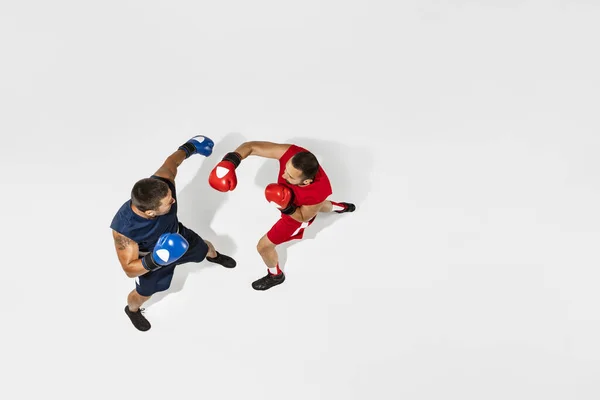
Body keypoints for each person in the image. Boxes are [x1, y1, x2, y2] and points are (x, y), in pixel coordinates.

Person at [111, 135, 236, 331]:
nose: (174, 201)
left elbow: (172, 163)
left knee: (206, 247)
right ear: (151, 212)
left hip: (181, 236)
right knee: (143, 294)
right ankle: (132, 310)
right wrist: (158, 259)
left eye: (171, 197)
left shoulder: (163, 183)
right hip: (152, 260)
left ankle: (214, 257)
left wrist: (190, 147)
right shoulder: (125, 230)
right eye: (168, 203)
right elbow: (129, 269)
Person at [208, 141, 355, 291]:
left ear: (307, 181)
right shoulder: (293, 154)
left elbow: (304, 217)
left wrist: (285, 206)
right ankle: (341, 207)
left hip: (295, 217)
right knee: (317, 205)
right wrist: (231, 161)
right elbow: (251, 146)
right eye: (285, 169)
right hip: (307, 204)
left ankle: (275, 275)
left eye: (290, 177)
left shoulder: (318, 191)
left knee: (263, 247)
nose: (284, 176)